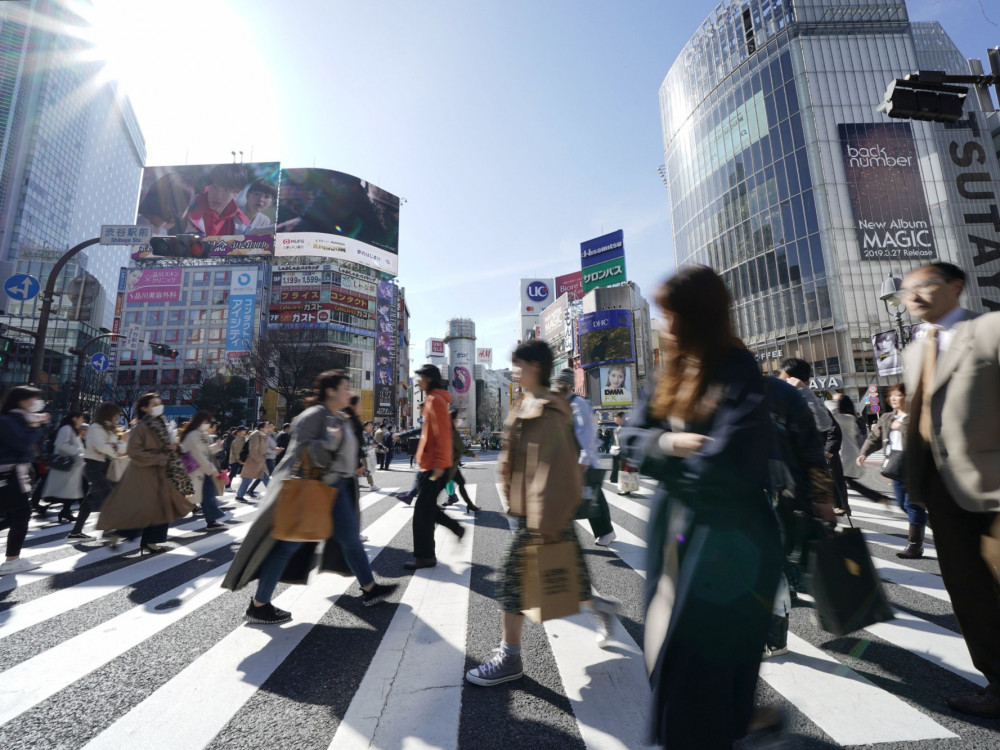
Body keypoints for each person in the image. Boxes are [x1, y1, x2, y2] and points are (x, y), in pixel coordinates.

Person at [618, 266, 782, 748]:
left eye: (673, 315)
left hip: (727, 540)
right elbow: (630, 438)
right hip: (676, 531)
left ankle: (734, 725)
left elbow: (732, 457)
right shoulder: (667, 374)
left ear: (699, 316)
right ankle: (741, 723)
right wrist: (674, 444)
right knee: (670, 658)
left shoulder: (737, 367)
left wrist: (666, 454)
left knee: (696, 669)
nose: (665, 326)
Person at [466, 341, 617, 687]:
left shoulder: (548, 410)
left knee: (512, 585)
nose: (514, 371)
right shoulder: (530, 402)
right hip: (537, 512)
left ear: (534, 366)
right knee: (570, 575)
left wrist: (542, 523)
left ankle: (510, 658)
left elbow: (556, 469)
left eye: (518, 364)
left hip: (540, 515)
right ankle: (601, 606)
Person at [897, 262, 1000, 717]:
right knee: (969, 593)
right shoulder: (915, 349)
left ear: (956, 286)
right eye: (905, 291)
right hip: (940, 491)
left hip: (994, 483)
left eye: (924, 286)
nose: (913, 297)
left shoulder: (990, 328)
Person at [222, 370, 398, 624]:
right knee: (288, 546)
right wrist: (330, 439)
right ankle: (259, 604)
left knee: (350, 540)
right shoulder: (314, 416)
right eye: (345, 388)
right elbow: (301, 452)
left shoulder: (336, 416)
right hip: (313, 489)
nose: (349, 393)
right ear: (331, 391)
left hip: (335, 487)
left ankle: (370, 588)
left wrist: (352, 464)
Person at [763, 376, 837, 658]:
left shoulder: (779, 391)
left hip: (779, 495)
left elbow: (813, 446)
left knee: (772, 566)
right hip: (743, 497)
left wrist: (823, 497)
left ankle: (774, 638)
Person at [97, 393, 194, 554]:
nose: (159, 407)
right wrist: (159, 458)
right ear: (144, 408)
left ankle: (143, 539)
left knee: (159, 508)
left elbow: (165, 446)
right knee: (150, 508)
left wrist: (174, 447)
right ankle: (126, 535)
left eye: (159, 403)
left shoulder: (162, 424)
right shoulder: (141, 426)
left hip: (161, 471)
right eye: (154, 404)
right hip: (145, 472)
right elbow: (133, 451)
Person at [403, 364, 464, 571]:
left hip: (435, 468)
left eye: (420, 377)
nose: (418, 380)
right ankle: (455, 529)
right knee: (426, 508)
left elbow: (443, 435)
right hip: (431, 466)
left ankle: (425, 556)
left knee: (422, 513)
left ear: (429, 378)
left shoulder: (435, 400)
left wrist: (438, 465)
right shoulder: (433, 399)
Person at [856, 384, 922, 557]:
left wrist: (901, 426)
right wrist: (864, 453)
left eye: (897, 395)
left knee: (912, 504)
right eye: (891, 395)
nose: (893, 398)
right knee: (902, 504)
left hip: (914, 467)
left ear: (907, 397)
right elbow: (874, 438)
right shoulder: (887, 417)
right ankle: (922, 523)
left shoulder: (917, 417)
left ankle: (914, 546)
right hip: (896, 466)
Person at [779, 358, 851, 516]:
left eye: (785, 380)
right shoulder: (776, 401)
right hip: (783, 473)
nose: (781, 383)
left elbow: (826, 424)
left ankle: (841, 507)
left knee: (818, 518)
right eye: (781, 379)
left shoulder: (808, 403)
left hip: (813, 468)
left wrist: (804, 391)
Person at [553, 367, 615, 546]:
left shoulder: (577, 403)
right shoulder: (563, 404)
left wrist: (584, 461)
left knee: (592, 497)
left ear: (569, 385)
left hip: (582, 460)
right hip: (570, 460)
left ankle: (606, 532)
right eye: (557, 383)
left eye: (561, 383)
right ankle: (604, 532)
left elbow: (586, 432)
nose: (557, 386)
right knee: (586, 497)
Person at [0, 386, 50, 574]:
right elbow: (22, 443)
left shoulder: (21, 419)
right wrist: (36, 426)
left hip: (15, 473)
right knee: (20, 514)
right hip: (9, 473)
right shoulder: (9, 420)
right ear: (21, 401)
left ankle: (12, 559)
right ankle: (12, 560)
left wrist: (38, 424)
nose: (37, 402)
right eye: (33, 398)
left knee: (12, 515)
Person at [68, 402, 127, 540]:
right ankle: (107, 529)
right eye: (116, 414)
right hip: (94, 466)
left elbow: (121, 446)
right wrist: (114, 448)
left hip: (106, 466)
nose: (118, 417)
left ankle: (75, 532)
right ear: (108, 414)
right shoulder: (95, 427)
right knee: (110, 496)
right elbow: (102, 446)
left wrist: (113, 447)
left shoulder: (111, 428)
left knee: (91, 501)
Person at [180, 411, 227, 531]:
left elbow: (205, 451)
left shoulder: (201, 434)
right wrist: (211, 469)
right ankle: (212, 520)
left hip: (201, 470)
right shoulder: (193, 435)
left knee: (207, 495)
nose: (207, 424)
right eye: (205, 422)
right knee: (205, 495)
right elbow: (197, 454)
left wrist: (216, 446)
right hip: (196, 470)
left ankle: (212, 520)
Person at [42, 410, 86, 524]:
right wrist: (78, 451)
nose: (82, 420)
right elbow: (61, 444)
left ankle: (65, 511)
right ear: (75, 418)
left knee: (68, 491)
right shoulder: (66, 429)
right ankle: (47, 506)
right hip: (67, 465)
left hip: (72, 466)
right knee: (64, 491)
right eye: (81, 418)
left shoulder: (72, 429)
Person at [185, 163, 250, 236]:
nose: (218, 195)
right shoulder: (187, 208)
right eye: (215, 187)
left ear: (237, 192)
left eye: (226, 190)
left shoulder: (242, 223)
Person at [441, 410, 481, 513]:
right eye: (458, 418)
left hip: (450, 464)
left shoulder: (446, 430)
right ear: (453, 420)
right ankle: (428, 506)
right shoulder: (453, 433)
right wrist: (473, 455)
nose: (460, 420)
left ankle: (469, 504)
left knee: (460, 483)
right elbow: (461, 448)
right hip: (449, 465)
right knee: (437, 486)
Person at [236, 421, 273, 501]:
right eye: (266, 427)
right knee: (247, 479)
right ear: (261, 428)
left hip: (259, 462)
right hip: (254, 461)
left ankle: (274, 494)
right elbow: (252, 449)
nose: (268, 428)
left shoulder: (262, 435)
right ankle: (239, 496)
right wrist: (258, 459)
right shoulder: (256, 435)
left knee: (265, 477)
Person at [246, 424, 279, 496]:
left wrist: (275, 449)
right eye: (271, 427)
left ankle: (250, 490)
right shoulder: (264, 436)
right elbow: (264, 449)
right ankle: (274, 493)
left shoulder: (270, 436)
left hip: (268, 458)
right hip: (266, 458)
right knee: (273, 475)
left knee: (262, 476)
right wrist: (275, 451)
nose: (273, 429)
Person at [608, 411, 626, 485]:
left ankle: (626, 486)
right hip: (617, 451)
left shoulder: (626, 428)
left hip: (624, 452)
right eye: (615, 418)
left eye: (616, 418)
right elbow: (615, 441)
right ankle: (620, 483)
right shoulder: (616, 429)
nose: (615, 419)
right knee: (617, 467)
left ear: (621, 418)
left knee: (624, 469)